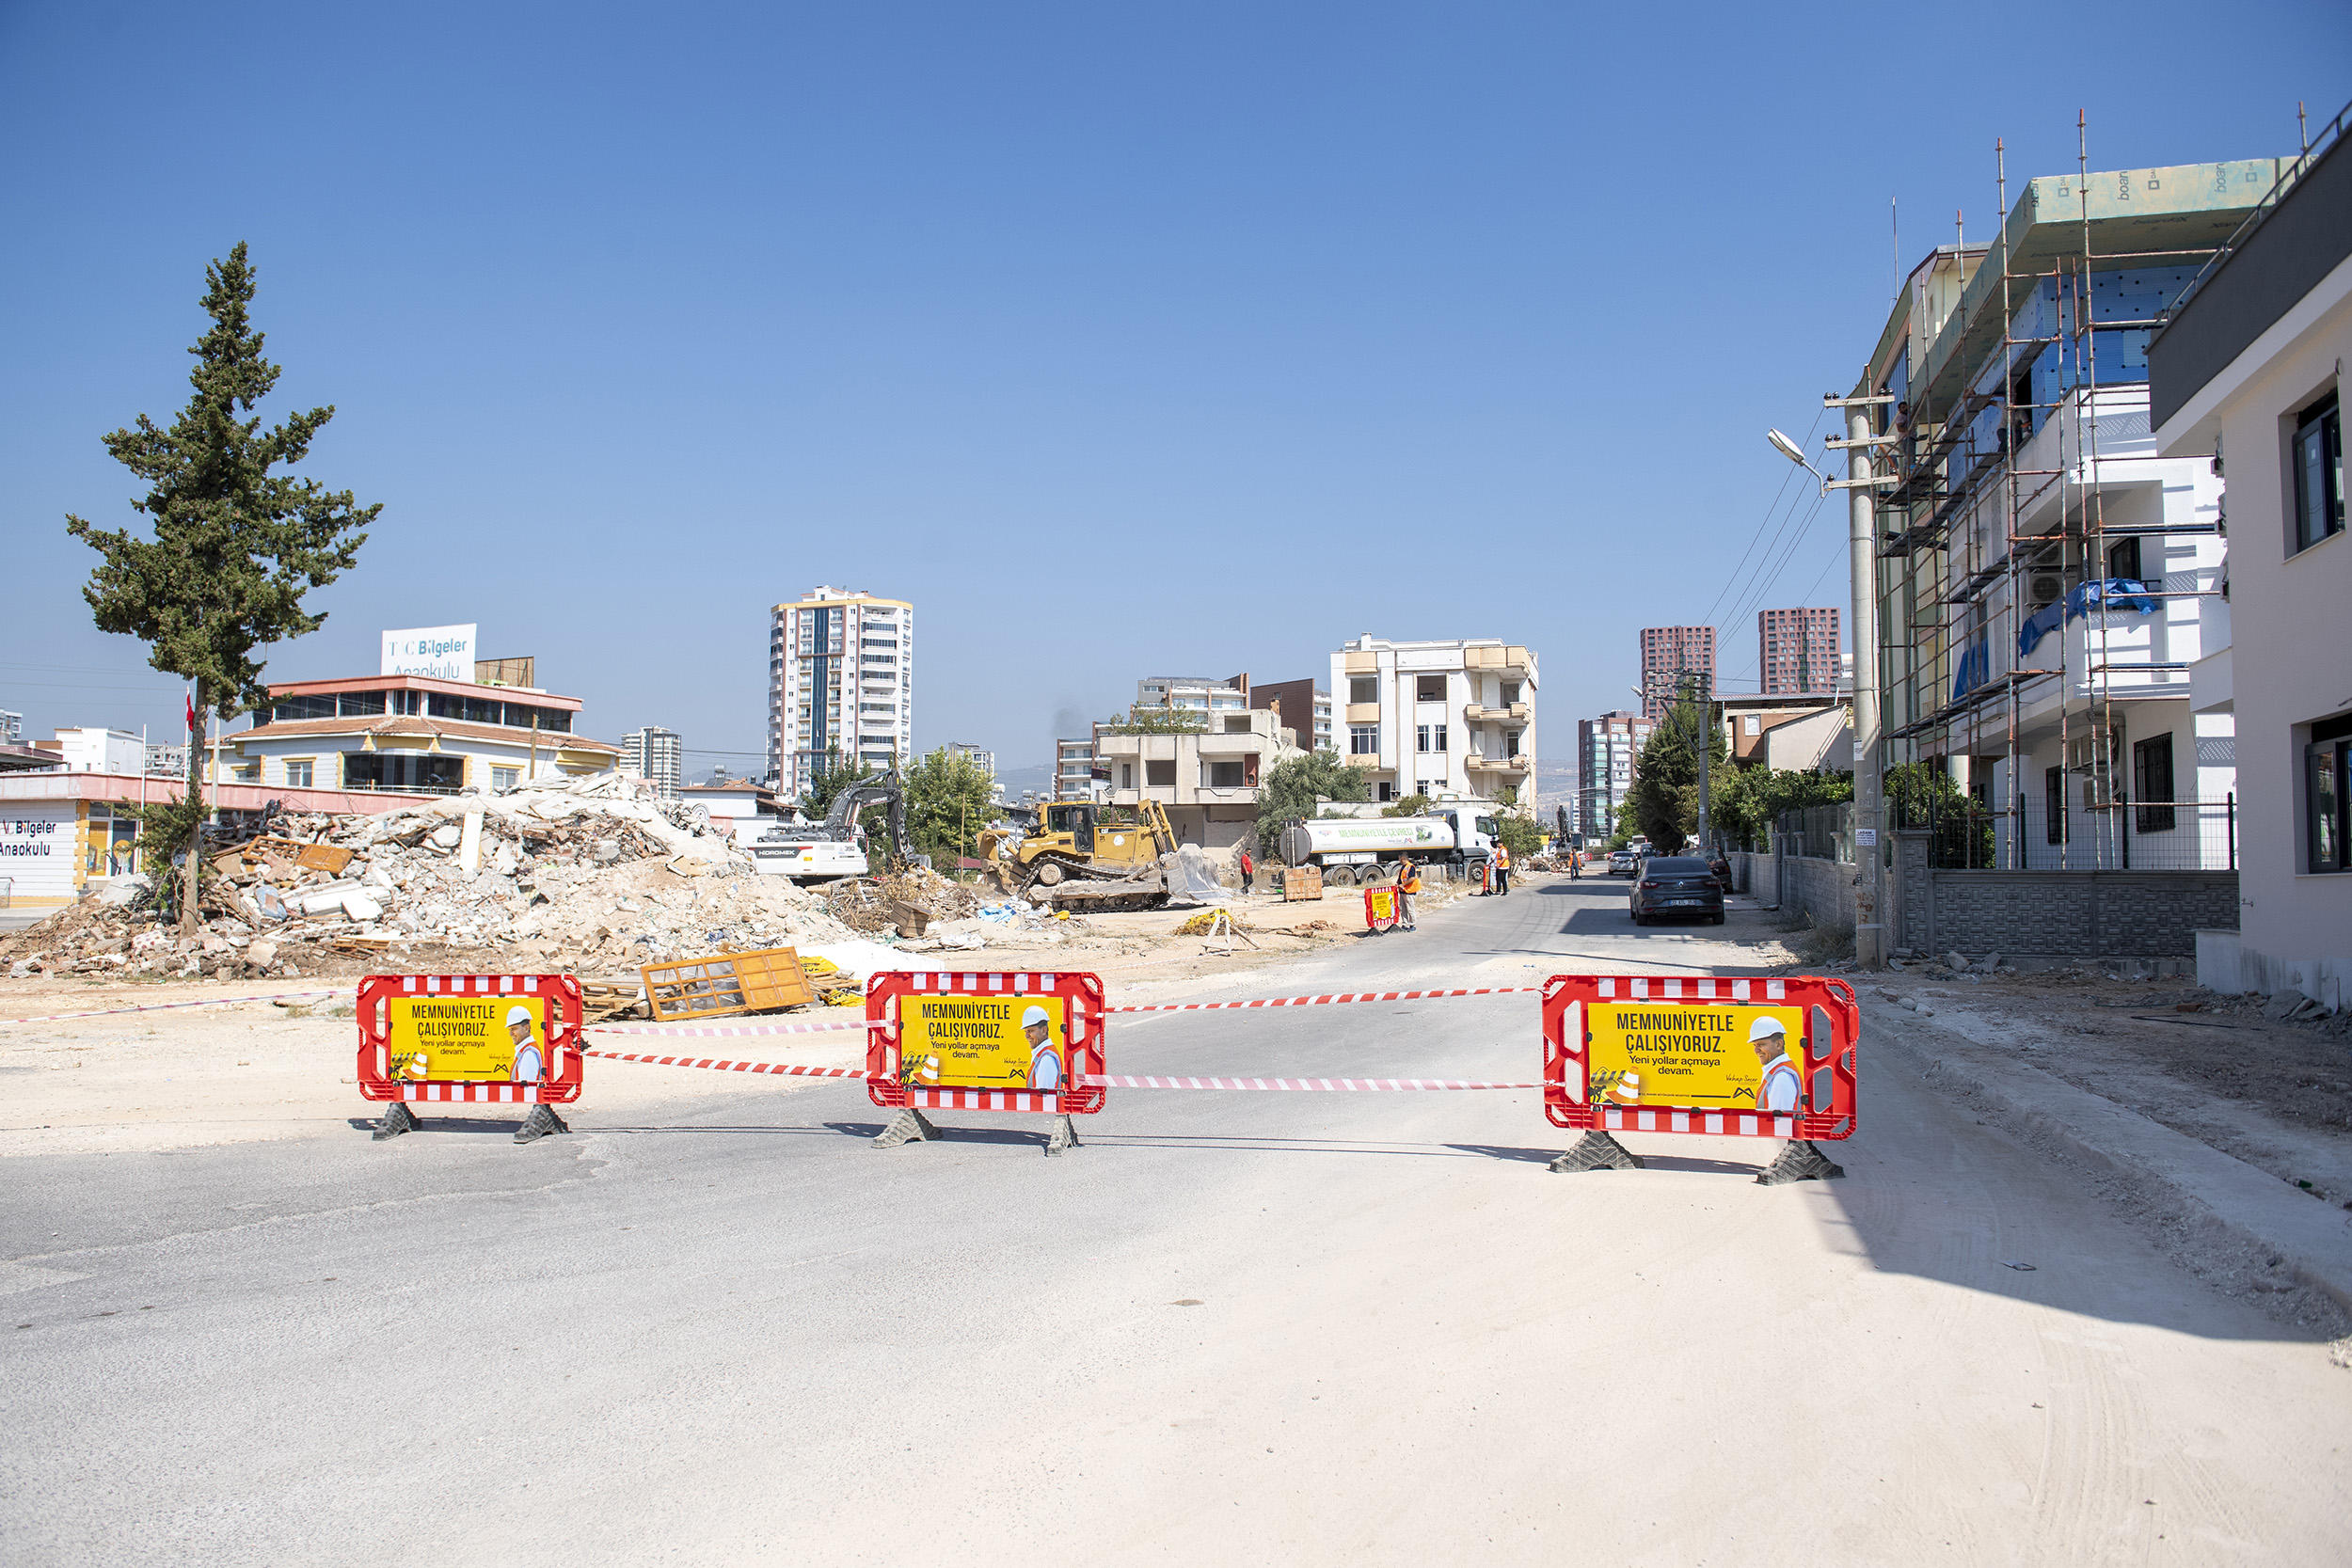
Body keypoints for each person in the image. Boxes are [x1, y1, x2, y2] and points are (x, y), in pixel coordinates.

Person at [1749, 1016, 1801, 1114]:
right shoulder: (1777, 1072)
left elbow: (1779, 1123)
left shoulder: (1782, 1077)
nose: (1756, 1050)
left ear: (1778, 1044)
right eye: (1754, 1045)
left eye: (1761, 1045)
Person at [1022, 1004, 1063, 1091]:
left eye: (1031, 1031)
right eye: (1026, 1031)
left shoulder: (1046, 1059)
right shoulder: (1042, 1054)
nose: (1026, 1036)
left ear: (1044, 1030)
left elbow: (1043, 1099)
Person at [506, 1005, 544, 1084]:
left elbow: (525, 1091)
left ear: (526, 1028)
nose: (510, 1033)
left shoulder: (528, 1054)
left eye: (514, 1029)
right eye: (509, 1029)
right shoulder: (525, 1051)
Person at [1396, 856, 1420, 930]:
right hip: (1403, 891)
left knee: (1410, 909)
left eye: (1399, 859)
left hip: (1409, 891)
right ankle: (1405, 924)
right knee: (1403, 909)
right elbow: (1401, 878)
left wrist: (1403, 885)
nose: (1399, 860)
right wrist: (1398, 883)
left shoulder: (1411, 867)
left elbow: (1412, 878)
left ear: (1403, 858)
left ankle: (1412, 925)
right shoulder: (1403, 867)